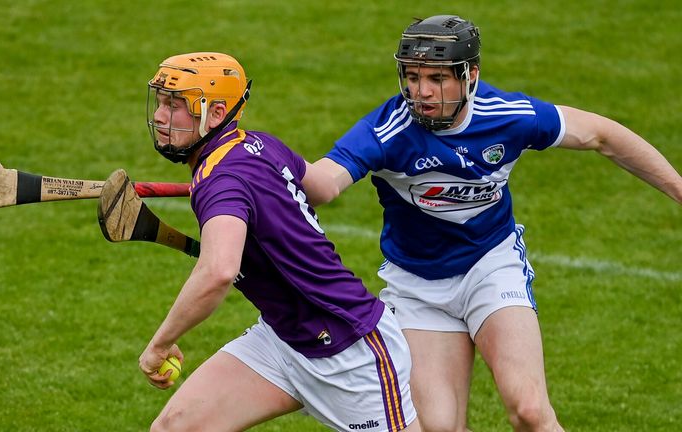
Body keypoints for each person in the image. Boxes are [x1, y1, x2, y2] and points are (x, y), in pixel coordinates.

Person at [304, 15, 682, 432]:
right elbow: (323, 183)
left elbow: (602, 135)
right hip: (418, 288)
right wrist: (260, 159)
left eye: (437, 78)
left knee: (530, 411)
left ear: (471, 76)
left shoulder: (508, 116)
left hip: (490, 265)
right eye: (412, 77)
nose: (421, 91)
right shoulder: (386, 130)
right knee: (438, 428)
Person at [136, 52, 419, 432]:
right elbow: (319, 189)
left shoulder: (222, 181)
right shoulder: (258, 146)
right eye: (162, 102)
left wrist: (159, 344)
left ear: (216, 113)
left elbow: (219, 271)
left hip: (350, 351)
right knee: (175, 427)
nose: (159, 115)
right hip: (282, 339)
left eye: (175, 105)